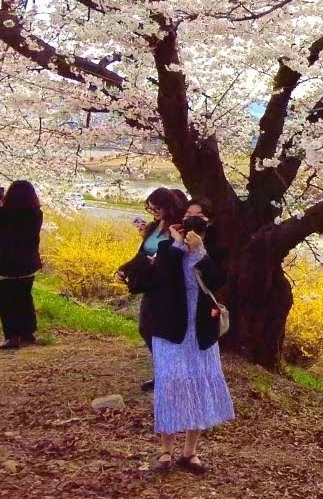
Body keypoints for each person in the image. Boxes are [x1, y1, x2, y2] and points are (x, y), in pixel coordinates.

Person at [124, 214, 233, 474]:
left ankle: (190, 452)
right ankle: (165, 451)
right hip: (169, 329)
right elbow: (161, 278)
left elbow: (217, 281)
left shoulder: (208, 254)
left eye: (199, 228)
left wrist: (200, 252)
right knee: (170, 384)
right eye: (187, 226)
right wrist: (175, 245)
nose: (192, 232)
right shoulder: (167, 250)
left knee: (198, 384)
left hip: (200, 332)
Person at [117, 187, 186, 391]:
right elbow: (141, 254)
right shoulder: (154, 227)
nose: (154, 212)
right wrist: (123, 269)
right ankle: (164, 374)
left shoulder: (176, 228)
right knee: (146, 328)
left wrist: (160, 260)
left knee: (162, 331)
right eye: (150, 208)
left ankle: (170, 376)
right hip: (150, 285)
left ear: (168, 206)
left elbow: (177, 255)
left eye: (157, 208)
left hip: (167, 286)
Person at [0, 181, 44, 350]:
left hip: (3, 267)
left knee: (7, 302)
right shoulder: (36, 214)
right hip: (28, 266)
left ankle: (12, 337)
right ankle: (28, 334)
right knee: (24, 298)